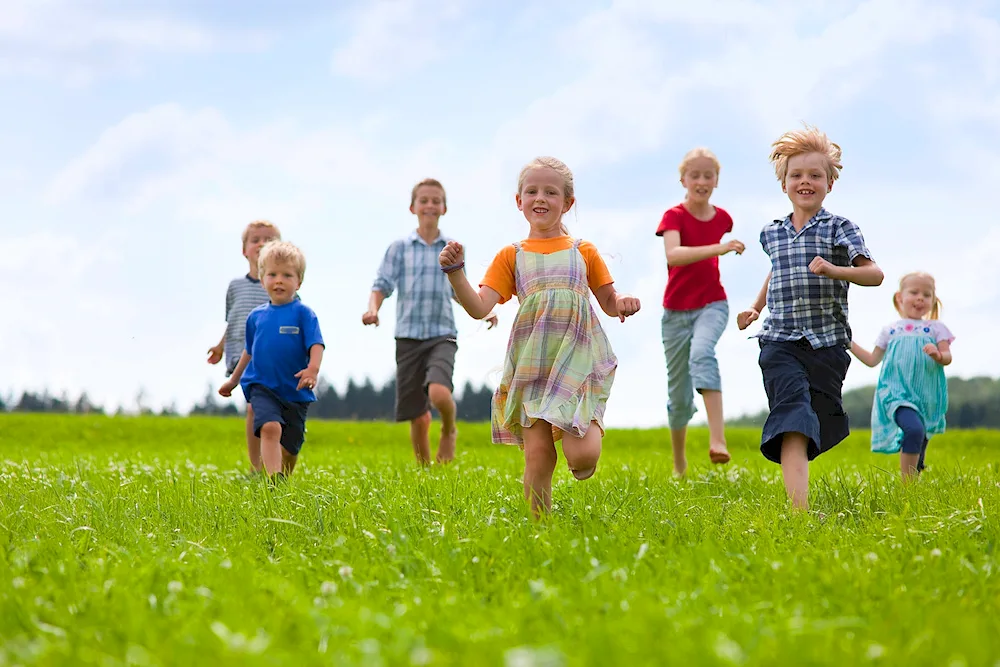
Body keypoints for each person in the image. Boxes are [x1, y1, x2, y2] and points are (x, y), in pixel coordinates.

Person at [440, 156, 641, 517]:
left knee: (581, 458)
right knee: (538, 455)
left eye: (551, 191)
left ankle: (586, 433)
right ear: (519, 202)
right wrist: (456, 274)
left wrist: (622, 302)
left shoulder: (583, 251)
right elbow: (480, 307)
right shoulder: (511, 256)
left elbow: (609, 302)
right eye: (531, 191)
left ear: (568, 203)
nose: (540, 198)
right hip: (532, 365)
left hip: (577, 362)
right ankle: (540, 528)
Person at [737, 125, 883, 510]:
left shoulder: (840, 227)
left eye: (815, 175)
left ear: (829, 183)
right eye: (796, 175)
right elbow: (777, 270)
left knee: (821, 419)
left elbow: (875, 275)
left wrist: (837, 271)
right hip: (779, 341)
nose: (805, 181)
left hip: (827, 345)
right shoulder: (771, 233)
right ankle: (799, 511)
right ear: (784, 183)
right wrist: (755, 307)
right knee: (793, 418)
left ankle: (810, 440)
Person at [363, 178, 497, 466]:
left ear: (444, 208)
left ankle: (449, 426)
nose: (430, 205)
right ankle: (425, 470)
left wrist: (484, 311)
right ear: (413, 207)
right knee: (417, 413)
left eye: (436, 200)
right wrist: (373, 309)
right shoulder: (399, 248)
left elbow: (459, 291)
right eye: (424, 200)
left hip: (442, 334)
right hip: (408, 336)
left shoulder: (451, 249)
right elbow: (382, 284)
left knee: (438, 393)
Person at [656, 147, 744, 476]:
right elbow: (674, 254)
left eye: (709, 175)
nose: (702, 181)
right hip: (675, 312)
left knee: (703, 353)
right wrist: (720, 247)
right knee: (678, 396)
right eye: (695, 175)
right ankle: (679, 464)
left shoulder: (723, 218)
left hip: (713, 303)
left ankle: (718, 441)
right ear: (683, 179)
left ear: (717, 180)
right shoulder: (673, 217)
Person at [219, 240, 324, 479]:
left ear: (299, 281)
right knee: (269, 427)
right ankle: (272, 481)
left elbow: (316, 344)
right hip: (263, 386)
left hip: (295, 389)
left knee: (291, 448)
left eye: (287, 275)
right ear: (263, 278)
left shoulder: (304, 314)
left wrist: (312, 370)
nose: (279, 280)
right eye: (272, 274)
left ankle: (283, 478)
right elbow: (249, 351)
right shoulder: (256, 317)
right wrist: (234, 381)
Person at [849, 272, 953, 481]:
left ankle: (916, 473)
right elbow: (872, 360)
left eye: (927, 294)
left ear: (933, 300)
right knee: (914, 430)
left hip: (926, 396)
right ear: (900, 297)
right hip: (895, 393)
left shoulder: (936, 329)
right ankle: (908, 488)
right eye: (914, 292)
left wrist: (938, 354)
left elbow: (948, 357)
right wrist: (848, 343)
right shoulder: (890, 330)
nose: (920, 298)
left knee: (919, 435)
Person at [207, 220, 281, 473]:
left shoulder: (280, 286)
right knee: (253, 407)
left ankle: (269, 464)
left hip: (272, 357)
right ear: (245, 250)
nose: (261, 244)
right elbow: (234, 320)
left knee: (265, 410)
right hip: (241, 356)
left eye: (269, 240)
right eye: (256, 240)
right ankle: (256, 467)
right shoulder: (235, 287)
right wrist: (219, 347)